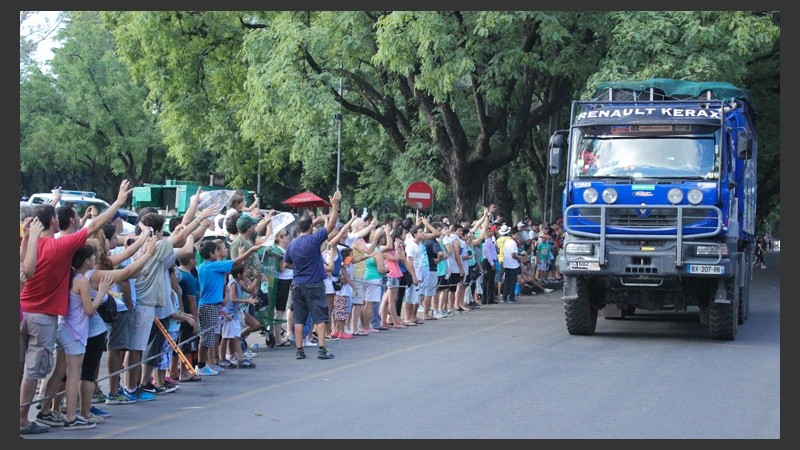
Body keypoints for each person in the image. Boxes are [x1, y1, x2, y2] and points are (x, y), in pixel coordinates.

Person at [20, 179, 132, 436]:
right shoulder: (60, 246)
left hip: (22, 311)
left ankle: (35, 413)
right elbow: (94, 225)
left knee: (23, 368)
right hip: (43, 316)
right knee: (34, 372)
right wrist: (117, 202)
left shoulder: (28, 243)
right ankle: (23, 420)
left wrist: (52, 204)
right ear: (54, 222)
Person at [284, 190, 342, 360]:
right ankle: (322, 349)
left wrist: (299, 265)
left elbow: (286, 264)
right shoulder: (314, 239)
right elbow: (331, 225)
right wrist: (335, 205)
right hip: (314, 283)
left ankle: (299, 350)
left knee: (299, 318)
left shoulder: (292, 244)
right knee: (320, 316)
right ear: (310, 227)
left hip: (297, 283)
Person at [195, 235, 261, 375]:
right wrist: (250, 251)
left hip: (211, 305)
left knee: (209, 337)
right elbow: (236, 262)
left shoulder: (203, 266)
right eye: (216, 251)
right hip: (209, 305)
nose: (219, 252)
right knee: (207, 338)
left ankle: (207, 364)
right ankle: (202, 365)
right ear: (211, 254)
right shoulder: (213, 266)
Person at [501, 227, 522, 303]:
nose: (518, 236)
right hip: (513, 265)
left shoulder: (507, 242)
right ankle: (511, 297)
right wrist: (518, 259)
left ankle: (504, 297)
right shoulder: (513, 243)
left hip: (507, 264)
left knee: (507, 281)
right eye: (516, 234)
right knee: (512, 282)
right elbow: (513, 254)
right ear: (512, 234)